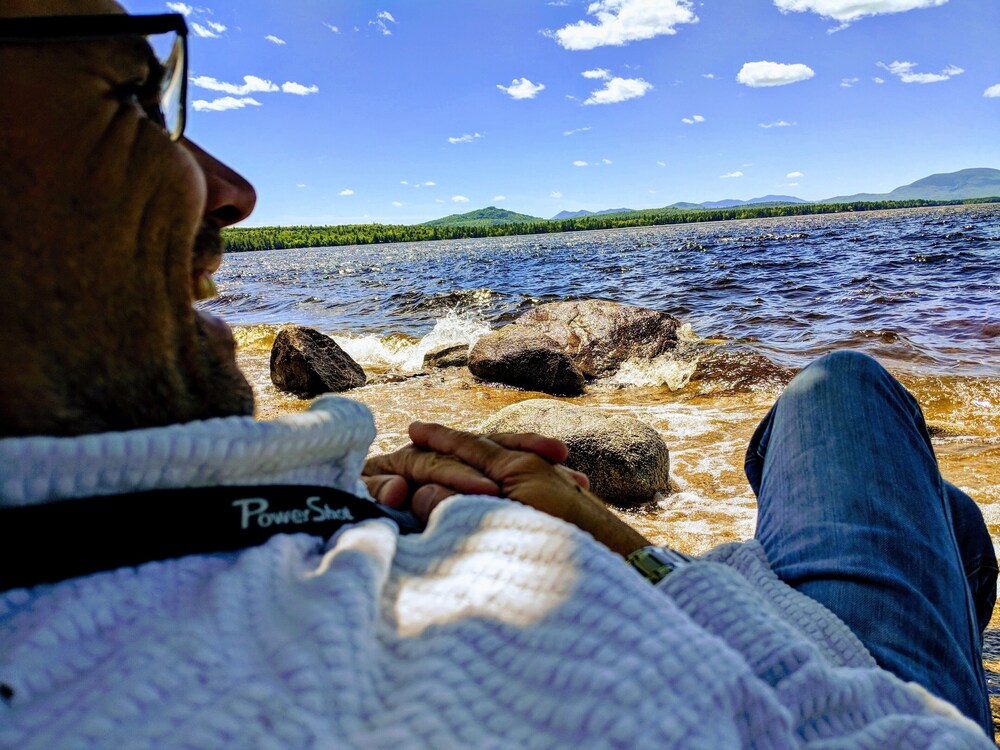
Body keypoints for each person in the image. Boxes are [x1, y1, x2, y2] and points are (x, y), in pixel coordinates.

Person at [0, 2, 995, 748]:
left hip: (733, 610)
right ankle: (949, 614)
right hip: (838, 676)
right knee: (841, 394)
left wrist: (342, 501)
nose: (232, 191)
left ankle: (947, 573)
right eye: (135, 98)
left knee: (939, 513)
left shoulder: (90, 549)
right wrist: (620, 551)